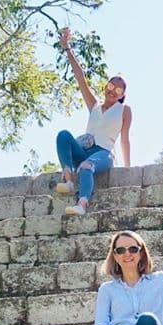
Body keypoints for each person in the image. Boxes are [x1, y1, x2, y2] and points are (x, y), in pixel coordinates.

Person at [54, 27, 132, 217]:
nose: (113, 91)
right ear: (106, 86)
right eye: (111, 86)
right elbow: (81, 79)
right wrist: (67, 48)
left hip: (103, 153)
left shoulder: (124, 110)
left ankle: (82, 204)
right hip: (84, 149)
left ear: (122, 95)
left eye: (119, 90)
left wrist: (129, 168)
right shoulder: (95, 106)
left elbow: (124, 139)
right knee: (63, 135)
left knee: (87, 166)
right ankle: (68, 179)